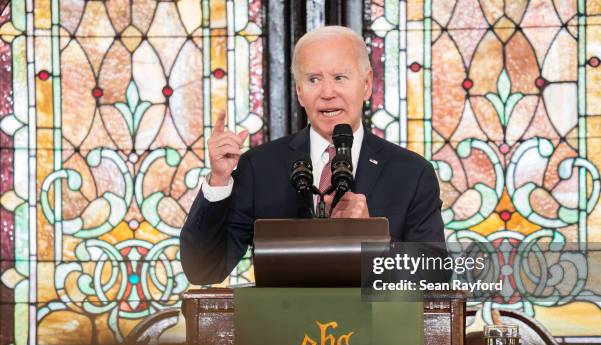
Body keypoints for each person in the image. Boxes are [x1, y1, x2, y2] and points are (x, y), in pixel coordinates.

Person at [180, 26, 445, 285]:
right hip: (285, 325)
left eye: (340, 77)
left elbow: (434, 278)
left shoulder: (411, 173)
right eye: (313, 80)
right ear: (299, 92)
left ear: (366, 85)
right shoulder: (260, 167)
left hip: (379, 326)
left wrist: (375, 242)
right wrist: (218, 180)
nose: (327, 93)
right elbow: (203, 270)